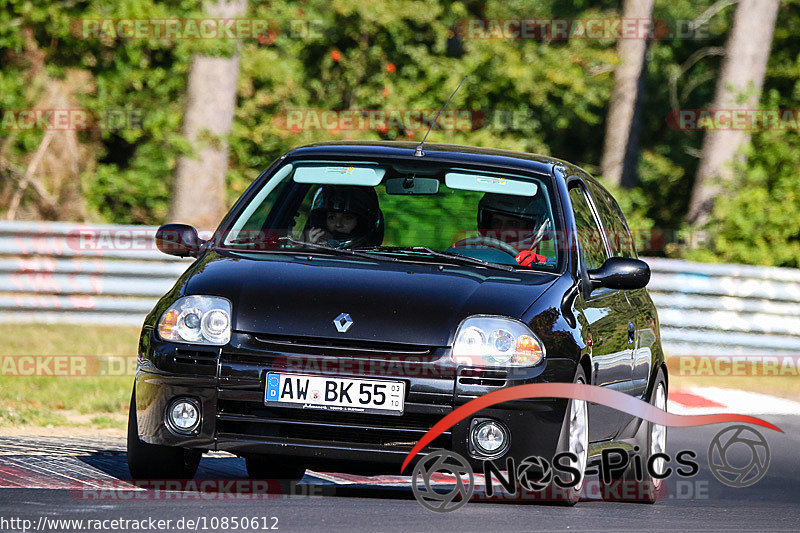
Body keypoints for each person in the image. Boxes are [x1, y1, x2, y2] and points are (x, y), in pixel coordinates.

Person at [476, 192, 553, 265]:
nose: (502, 230)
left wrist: (540, 265)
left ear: (545, 229)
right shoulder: (471, 255)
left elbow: (561, 269)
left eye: (513, 224)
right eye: (496, 222)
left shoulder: (549, 268)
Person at [306, 186, 384, 248]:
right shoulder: (308, 255)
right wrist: (312, 250)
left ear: (362, 223)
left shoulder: (374, 261)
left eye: (347, 218)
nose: (338, 224)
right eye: (332, 217)